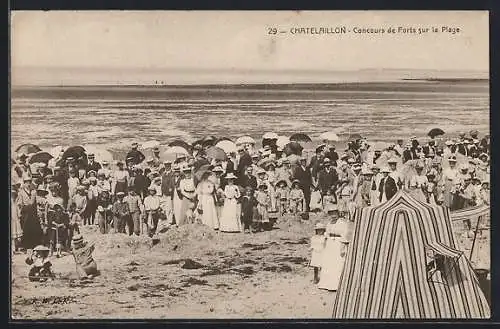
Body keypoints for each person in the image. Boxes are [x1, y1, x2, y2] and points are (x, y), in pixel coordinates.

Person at [318, 211, 350, 291]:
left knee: (337, 263)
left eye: (335, 213)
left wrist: (343, 246)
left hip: (338, 244)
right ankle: (326, 284)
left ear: (338, 214)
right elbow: (327, 234)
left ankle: (336, 285)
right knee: (329, 263)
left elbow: (345, 234)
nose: (333, 216)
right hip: (330, 244)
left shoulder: (343, 223)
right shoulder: (329, 224)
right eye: (331, 214)